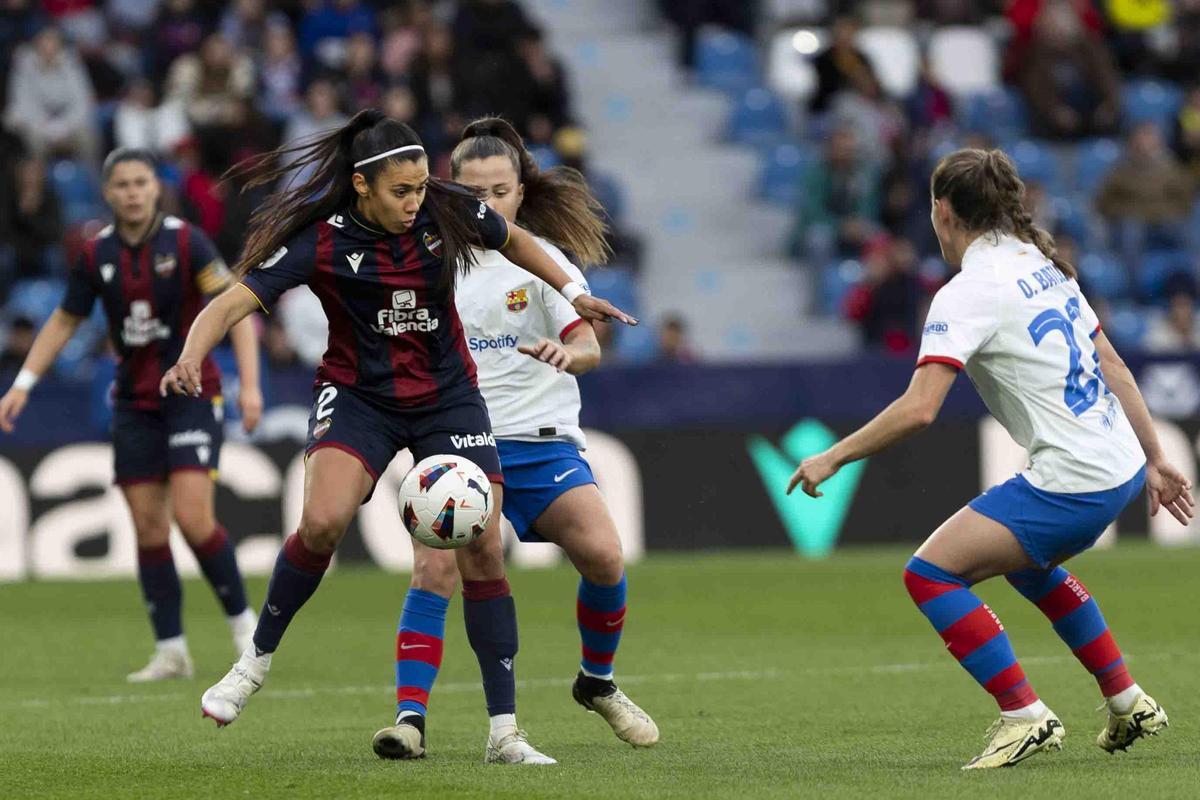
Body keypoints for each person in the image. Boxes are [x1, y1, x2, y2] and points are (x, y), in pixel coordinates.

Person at [159, 112, 635, 760]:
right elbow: (230, 303)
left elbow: (520, 242)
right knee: (322, 522)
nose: (417, 201)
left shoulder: (445, 210)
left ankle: (504, 733)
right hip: (360, 396)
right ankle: (253, 665)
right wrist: (191, 354)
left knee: (482, 552)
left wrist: (574, 292)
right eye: (402, 191)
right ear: (362, 186)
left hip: (446, 400)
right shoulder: (320, 240)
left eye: (420, 187)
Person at [787, 148, 1191, 769]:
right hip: (1119, 466)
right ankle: (1127, 699)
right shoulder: (1041, 263)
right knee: (1029, 567)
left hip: (1073, 478)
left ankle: (1023, 715)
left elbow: (921, 408)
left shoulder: (967, 292)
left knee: (930, 574)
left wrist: (833, 457)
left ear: (943, 211)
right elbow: (1111, 364)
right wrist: (1156, 457)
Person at [372, 118, 658, 765]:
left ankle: (596, 681)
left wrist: (569, 353)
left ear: (520, 193)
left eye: (498, 191)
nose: (485, 205)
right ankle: (410, 718)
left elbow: (588, 343)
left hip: (543, 443)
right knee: (436, 567)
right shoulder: (429, 260)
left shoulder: (545, 262)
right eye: (472, 192)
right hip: (460, 442)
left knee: (606, 558)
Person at [0, 148, 263, 681]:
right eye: (122, 184)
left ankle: (246, 631)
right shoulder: (95, 253)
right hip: (134, 402)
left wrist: (252, 388)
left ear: (154, 187)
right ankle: (172, 650)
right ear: (108, 192)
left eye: (141, 182)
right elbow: (64, 320)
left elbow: (236, 308)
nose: (132, 192)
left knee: (193, 518)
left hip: (191, 394)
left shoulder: (187, 241)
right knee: (147, 527)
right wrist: (24, 382)